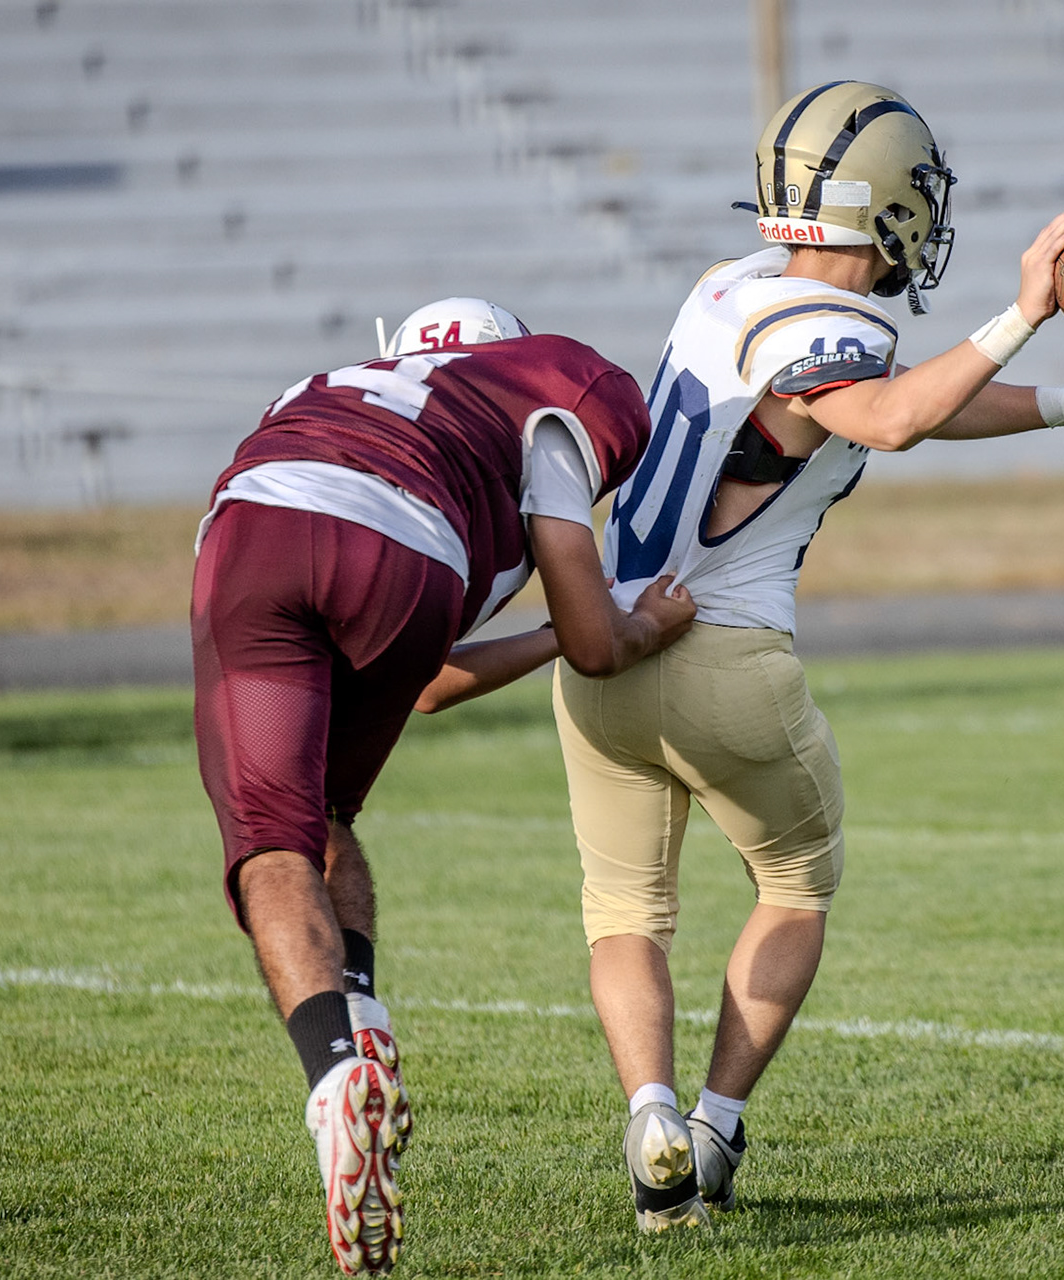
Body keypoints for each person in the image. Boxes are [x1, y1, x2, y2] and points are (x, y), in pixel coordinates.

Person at [554, 81, 1064, 1231]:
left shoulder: (729, 285)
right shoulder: (834, 331)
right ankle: (712, 1128)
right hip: (722, 653)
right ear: (889, 209)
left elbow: (897, 401)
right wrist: (1023, 312)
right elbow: (888, 414)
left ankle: (646, 1114)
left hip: (598, 648)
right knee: (797, 883)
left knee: (626, 911)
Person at [191, 297, 695, 1275]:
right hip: (407, 555)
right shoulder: (537, 387)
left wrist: (582, 634)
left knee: (274, 839)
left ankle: (341, 1072)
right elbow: (582, 644)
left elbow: (468, 672)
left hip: (262, 522)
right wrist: (635, 627)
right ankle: (366, 1035)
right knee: (326, 817)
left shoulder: (331, 387)